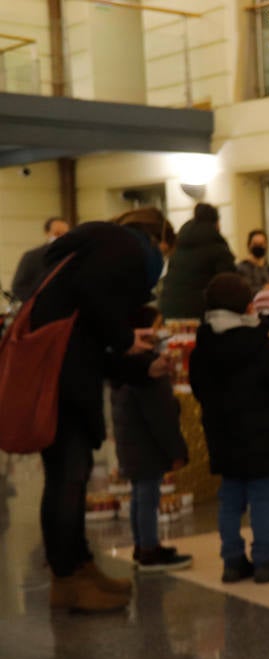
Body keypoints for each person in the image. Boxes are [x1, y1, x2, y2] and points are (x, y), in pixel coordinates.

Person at [32, 216, 170, 613]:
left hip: (66, 375)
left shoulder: (100, 250)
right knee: (67, 477)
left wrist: (141, 366)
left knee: (72, 475)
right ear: (155, 238)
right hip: (61, 382)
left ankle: (80, 567)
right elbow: (93, 301)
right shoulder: (121, 245)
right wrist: (126, 339)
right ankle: (66, 578)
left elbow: (93, 344)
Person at [189, 273, 269, 584]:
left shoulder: (203, 348)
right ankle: (265, 562)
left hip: (222, 437)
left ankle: (232, 562)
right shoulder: (265, 348)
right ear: (248, 306)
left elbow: (198, 389)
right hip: (262, 437)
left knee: (229, 500)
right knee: (263, 500)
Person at [110, 306, 193, 573]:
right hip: (147, 446)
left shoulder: (123, 366)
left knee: (139, 495)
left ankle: (142, 544)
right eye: (156, 327)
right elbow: (162, 416)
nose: (161, 333)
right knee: (147, 496)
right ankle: (149, 548)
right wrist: (176, 449)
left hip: (133, 444)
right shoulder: (148, 370)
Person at [159, 202, 236, 319]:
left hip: (169, 312)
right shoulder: (218, 248)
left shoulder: (180, 246)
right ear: (216, 223)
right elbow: (229, 285)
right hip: (201, 313)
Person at [9, 216, 70, 302]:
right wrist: (35, 302)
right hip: (39, 309)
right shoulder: (32, 257)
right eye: (57, 234)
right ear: (47, 233)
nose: (62, 237)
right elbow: (18, 287)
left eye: (65, 234)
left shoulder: (73, 255)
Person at [236, 228, 269, 296]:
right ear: (249, 245)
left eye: (262, 244)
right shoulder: (242, 268)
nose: (259, 246)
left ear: (266, 245)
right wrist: (266, 288)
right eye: (255, 244)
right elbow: (246, 291)